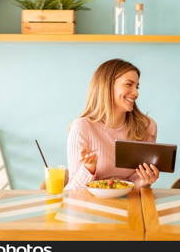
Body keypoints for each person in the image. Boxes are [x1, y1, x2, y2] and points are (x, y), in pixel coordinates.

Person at [65, 59, 159, 189]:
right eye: (128, 84)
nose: (136, 93)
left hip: (129, 203)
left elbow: (135, 183)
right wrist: (89, 169)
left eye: (136, 86)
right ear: (107, 86)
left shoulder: (146, 127)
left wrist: (144, 181)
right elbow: (72, 191)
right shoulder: (82, 127)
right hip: (91, 204)